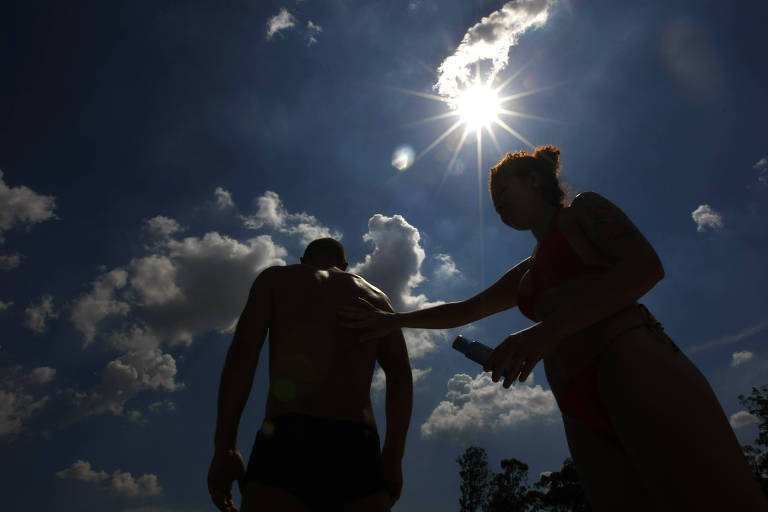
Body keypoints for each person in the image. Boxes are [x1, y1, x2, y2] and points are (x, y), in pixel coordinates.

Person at [340, 146, 768, 511]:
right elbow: (463, 309)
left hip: (631, 361)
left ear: (533, 180)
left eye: (503, 192)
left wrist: (546, 332)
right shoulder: (527, 270)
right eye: (494, 201)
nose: (498, 205)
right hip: (575, 402)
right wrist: (394, 319)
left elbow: (645, 267)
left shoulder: (584, 211)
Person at [207, 237, 413, 512]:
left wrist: (226, 445)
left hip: (286, 436)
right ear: (345, 265)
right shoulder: (376, 298)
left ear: (303, 260)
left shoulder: (276, 280)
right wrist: (393, 457)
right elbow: (400, 377)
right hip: (355, 442)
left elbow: (243, 356)